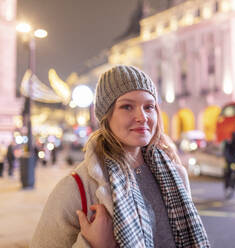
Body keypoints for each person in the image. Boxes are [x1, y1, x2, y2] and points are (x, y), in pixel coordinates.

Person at [31, 65, 210, 248]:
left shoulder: (176, 174)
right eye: (127, 106)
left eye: (149, 107)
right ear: (106, 117)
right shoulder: (76, 188)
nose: (142, 117)